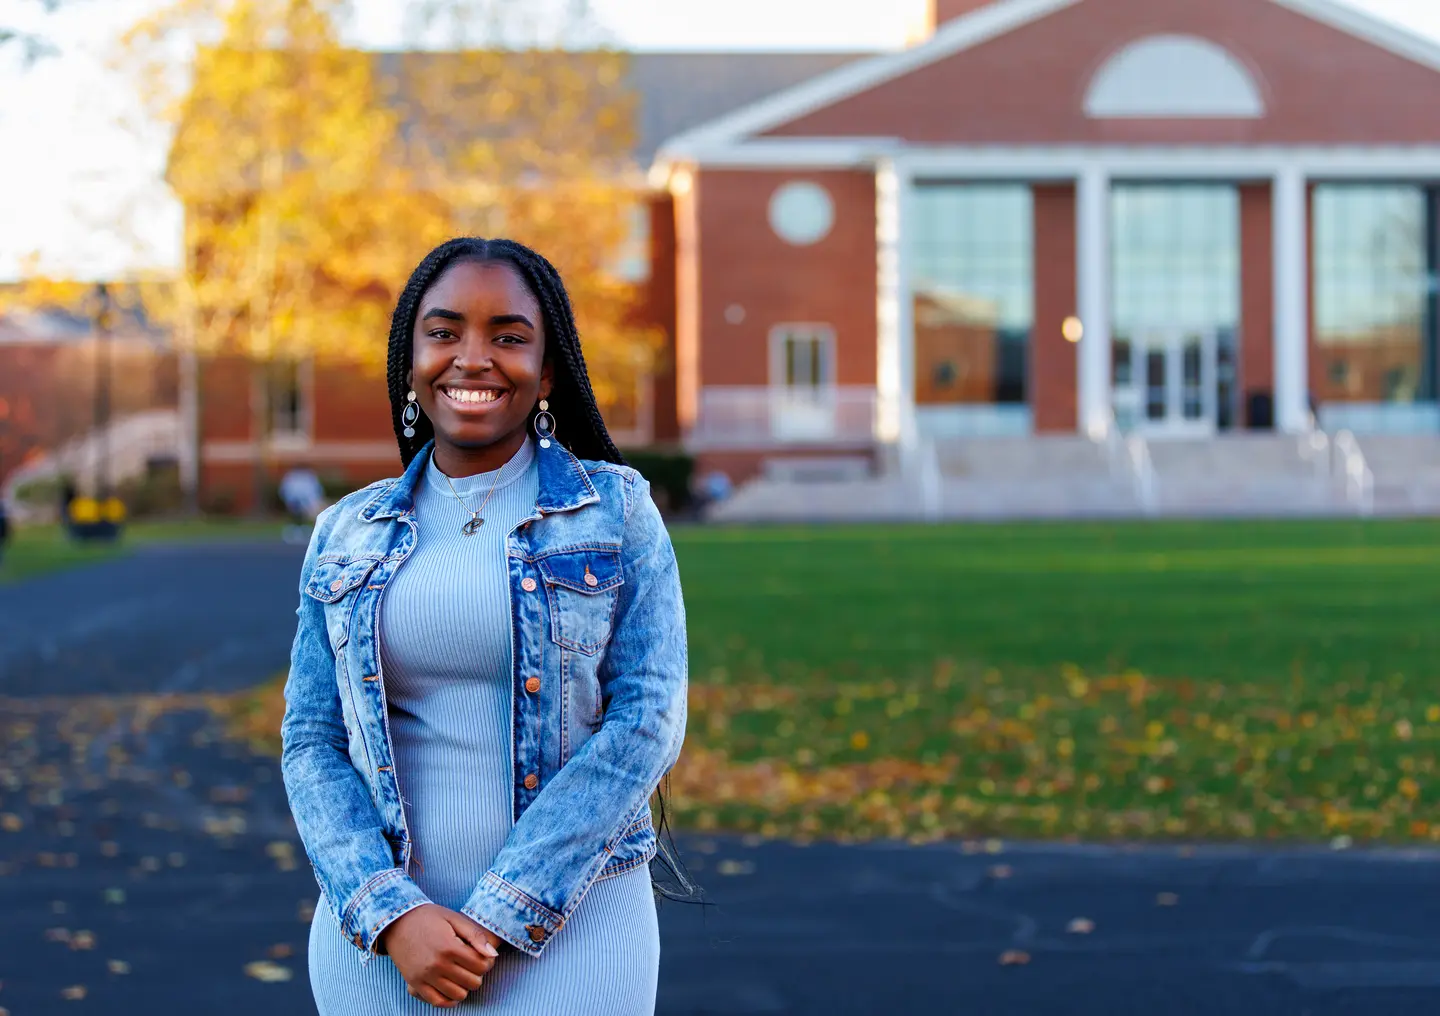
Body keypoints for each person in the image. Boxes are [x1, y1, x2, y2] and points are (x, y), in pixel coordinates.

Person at [282, 237, 689, 1014]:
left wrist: (501, 913)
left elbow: (646, 721)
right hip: (379, 940)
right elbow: (311, 742)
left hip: (578, 927)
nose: (472, 358)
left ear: (547, 369)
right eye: (443, 333)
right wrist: (389, 911)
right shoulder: (345, 531)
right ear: (411, 361)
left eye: (508, 335)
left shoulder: (616, 511)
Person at [278, 466, 326, 544]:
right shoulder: (291, 477)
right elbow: (285, 489)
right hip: (295, 500)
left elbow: (315, 489)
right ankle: (295, 529)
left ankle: (303, 528)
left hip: (307, 500)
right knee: (296, 514)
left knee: (308, 514)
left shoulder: (309, 476)